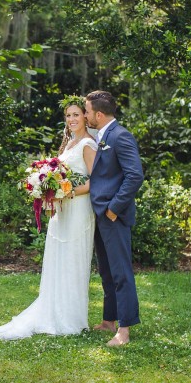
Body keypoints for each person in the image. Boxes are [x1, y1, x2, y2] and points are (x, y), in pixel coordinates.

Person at [0, 96, 97, 340]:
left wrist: (65, 191)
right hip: (61, 209)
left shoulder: (88, 144)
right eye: (68, 115)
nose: (72, 119)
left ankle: (71, 318)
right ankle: (53, 310)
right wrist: (50, 189)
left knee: (73, 257)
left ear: (85, 116)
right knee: (58, 257)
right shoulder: (68, 144)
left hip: (78, 208)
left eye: (76, 114)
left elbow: (93, 182)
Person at [85, 90, 144, 347]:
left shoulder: (120, 136)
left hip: (113, 216)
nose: (85, 115)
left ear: (98, 114)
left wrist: (113, 209)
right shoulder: (100, 136)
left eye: (86, 111)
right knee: (107, 273)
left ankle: (124, 330)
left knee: (121, 273)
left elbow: (135, 176)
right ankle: (109, 320)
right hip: (100, 215)